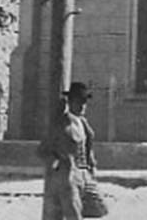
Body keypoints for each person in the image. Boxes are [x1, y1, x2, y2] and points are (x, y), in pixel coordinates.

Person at [41, 81, 98, 220]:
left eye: (84, 101)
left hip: (81, 177)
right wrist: (58, 163)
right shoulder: (61, 123)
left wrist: (90, 169)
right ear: (70, 102)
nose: (82, 106)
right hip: (64, 179)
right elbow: (43, 149)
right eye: (78, 101)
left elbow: (87, 149)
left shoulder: (83, 123)